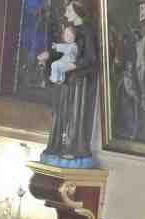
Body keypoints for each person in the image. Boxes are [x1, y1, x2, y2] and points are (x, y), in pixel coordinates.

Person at [38, 0, 97, 165]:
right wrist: (48, 55)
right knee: (59, 112)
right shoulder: (71, 30)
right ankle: (56, 146)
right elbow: (63, 51)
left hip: (78, 80)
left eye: (69, 11)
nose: (66, 14)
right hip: (65, 79)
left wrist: (74, 66)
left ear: (78, 11)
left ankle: (73, 149)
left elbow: (91, 58)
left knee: (74, 114)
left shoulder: (87, 31)